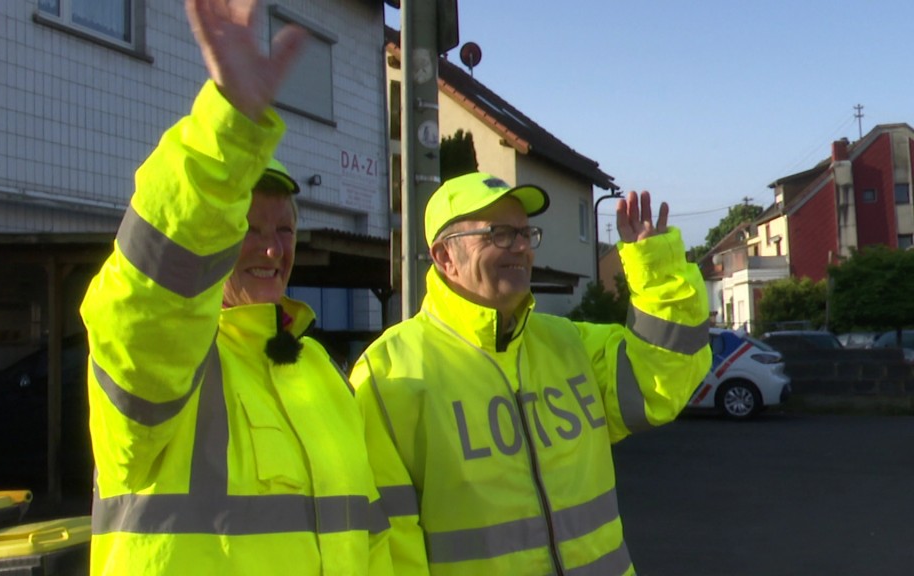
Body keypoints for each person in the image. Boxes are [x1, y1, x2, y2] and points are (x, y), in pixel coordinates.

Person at [80, 0, 396, 573]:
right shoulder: (172, 364)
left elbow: (369, 533)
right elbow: (145, 303)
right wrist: (227, 130)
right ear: (214, 238)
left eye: (284, 230)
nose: (272, 249)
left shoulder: (322, 371)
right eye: (248, 230)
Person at [350, 172, 712, 575]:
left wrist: (656, 269)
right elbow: (384, 540)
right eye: (500, 234)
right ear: (444, 257)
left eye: (526, 233)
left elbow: (665, 380)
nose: (521, 247)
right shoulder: (388, 373)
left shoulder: (570, 343)